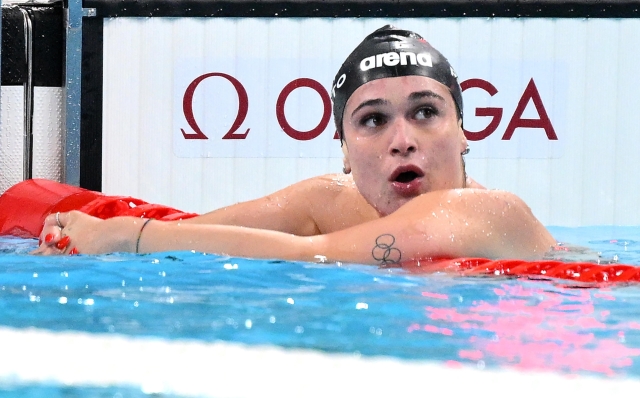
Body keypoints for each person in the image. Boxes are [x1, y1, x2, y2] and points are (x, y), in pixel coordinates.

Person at [34, 25, 555, 266]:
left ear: (465, 131)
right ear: (345, 152)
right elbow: (192, 234)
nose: (402, 141)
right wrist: (88, 229)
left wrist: (127, 236)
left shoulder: (488, 212)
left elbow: (314, 254)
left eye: (425, 112)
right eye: (372, 120)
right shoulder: (331, 201)